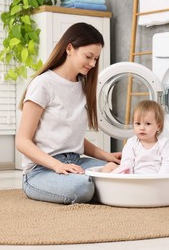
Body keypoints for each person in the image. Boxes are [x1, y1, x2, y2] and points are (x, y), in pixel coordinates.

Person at [16, 22, 121, 204]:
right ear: (69, 48)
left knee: (122, 171)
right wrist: (57, 165)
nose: (92, 63)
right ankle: (97, 187)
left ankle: (99, 185)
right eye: (88, 56)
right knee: (81, 187)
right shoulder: (43, 84)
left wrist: (107, 156)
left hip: (75, 161)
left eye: (96, 58)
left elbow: (71, 137)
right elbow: (22, 141)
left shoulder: (82, 86)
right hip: (41, 170)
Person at [102, 100, 169, 174]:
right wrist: (127, 174)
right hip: (134, 179)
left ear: (158, 126)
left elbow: (168, 163)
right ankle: (109, 184)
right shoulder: (132, 142)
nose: (142, 128)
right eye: (138, 123)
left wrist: (161, 177)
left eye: (148, 124)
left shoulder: (163, 143)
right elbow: (127, 161)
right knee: (109, 166)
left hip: (155, 179)